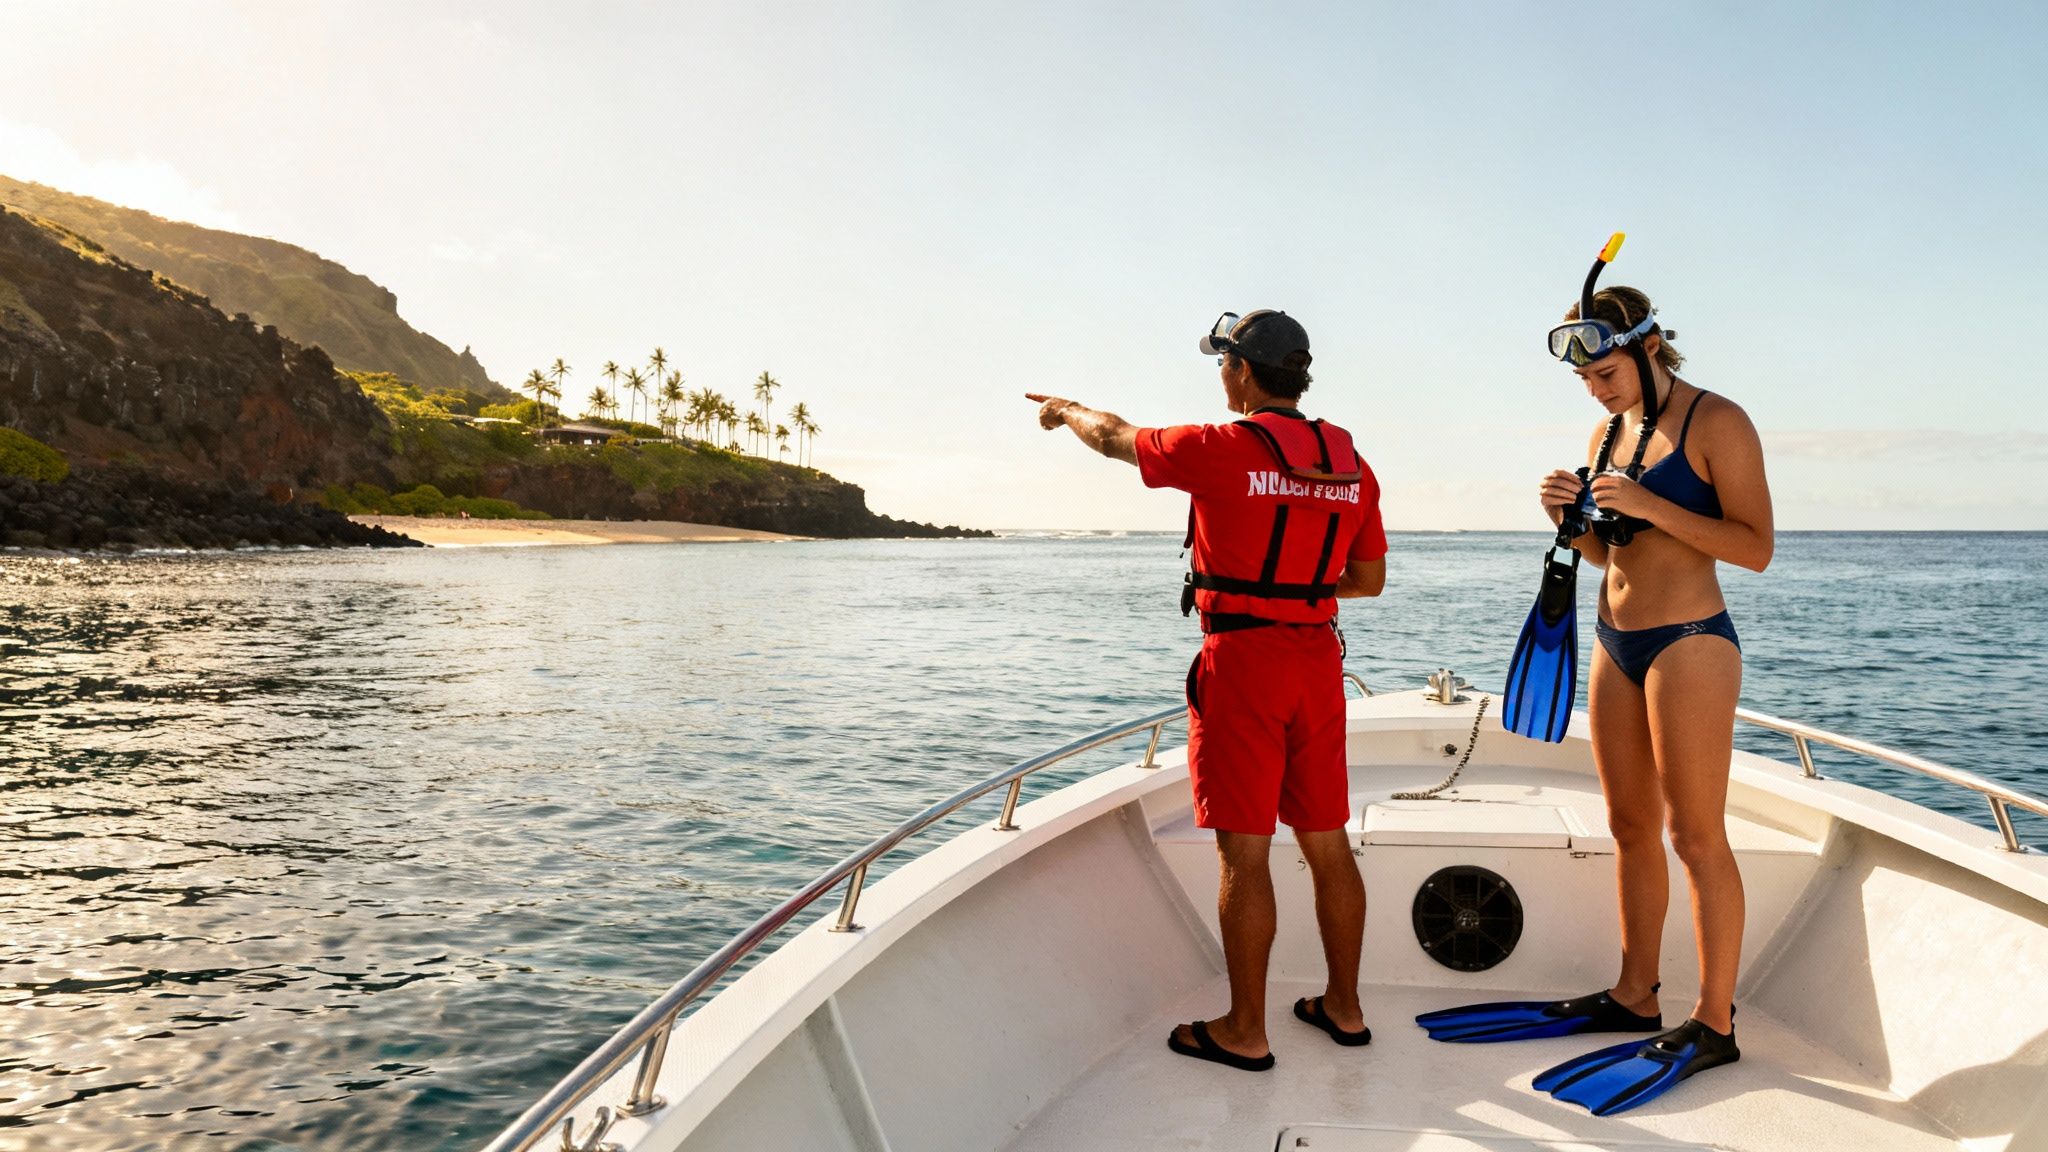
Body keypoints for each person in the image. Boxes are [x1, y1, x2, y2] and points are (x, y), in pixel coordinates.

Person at [1421, 281, 1774, 1115]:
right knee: (1625, 827)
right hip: (1615, 643)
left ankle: (1714, 1022)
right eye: (1583, 379)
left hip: (1689, 645)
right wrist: (1568, 520)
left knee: (1695, 834)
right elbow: (1603, 552)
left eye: (1605, 371)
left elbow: (1756, 548)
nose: (1595, 388)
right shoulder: (1607, 430)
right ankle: (1633, 993)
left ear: (1649, 346)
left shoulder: (1717, 422)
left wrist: (1649, 502)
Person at [1025, 309, 1387, 1072]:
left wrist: (1066, 411)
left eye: (1223, 364)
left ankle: (1245, 1030)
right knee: (1327, 842)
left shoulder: (1221, 448)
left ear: (1245, 372)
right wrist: (1297, 588)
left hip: (1245, 664)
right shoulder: (1350, 461)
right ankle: (1345, 1010)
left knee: (1244, 854)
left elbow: (1114, 436)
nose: (1220, 377)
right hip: (1318, 663)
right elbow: (1368, 579)